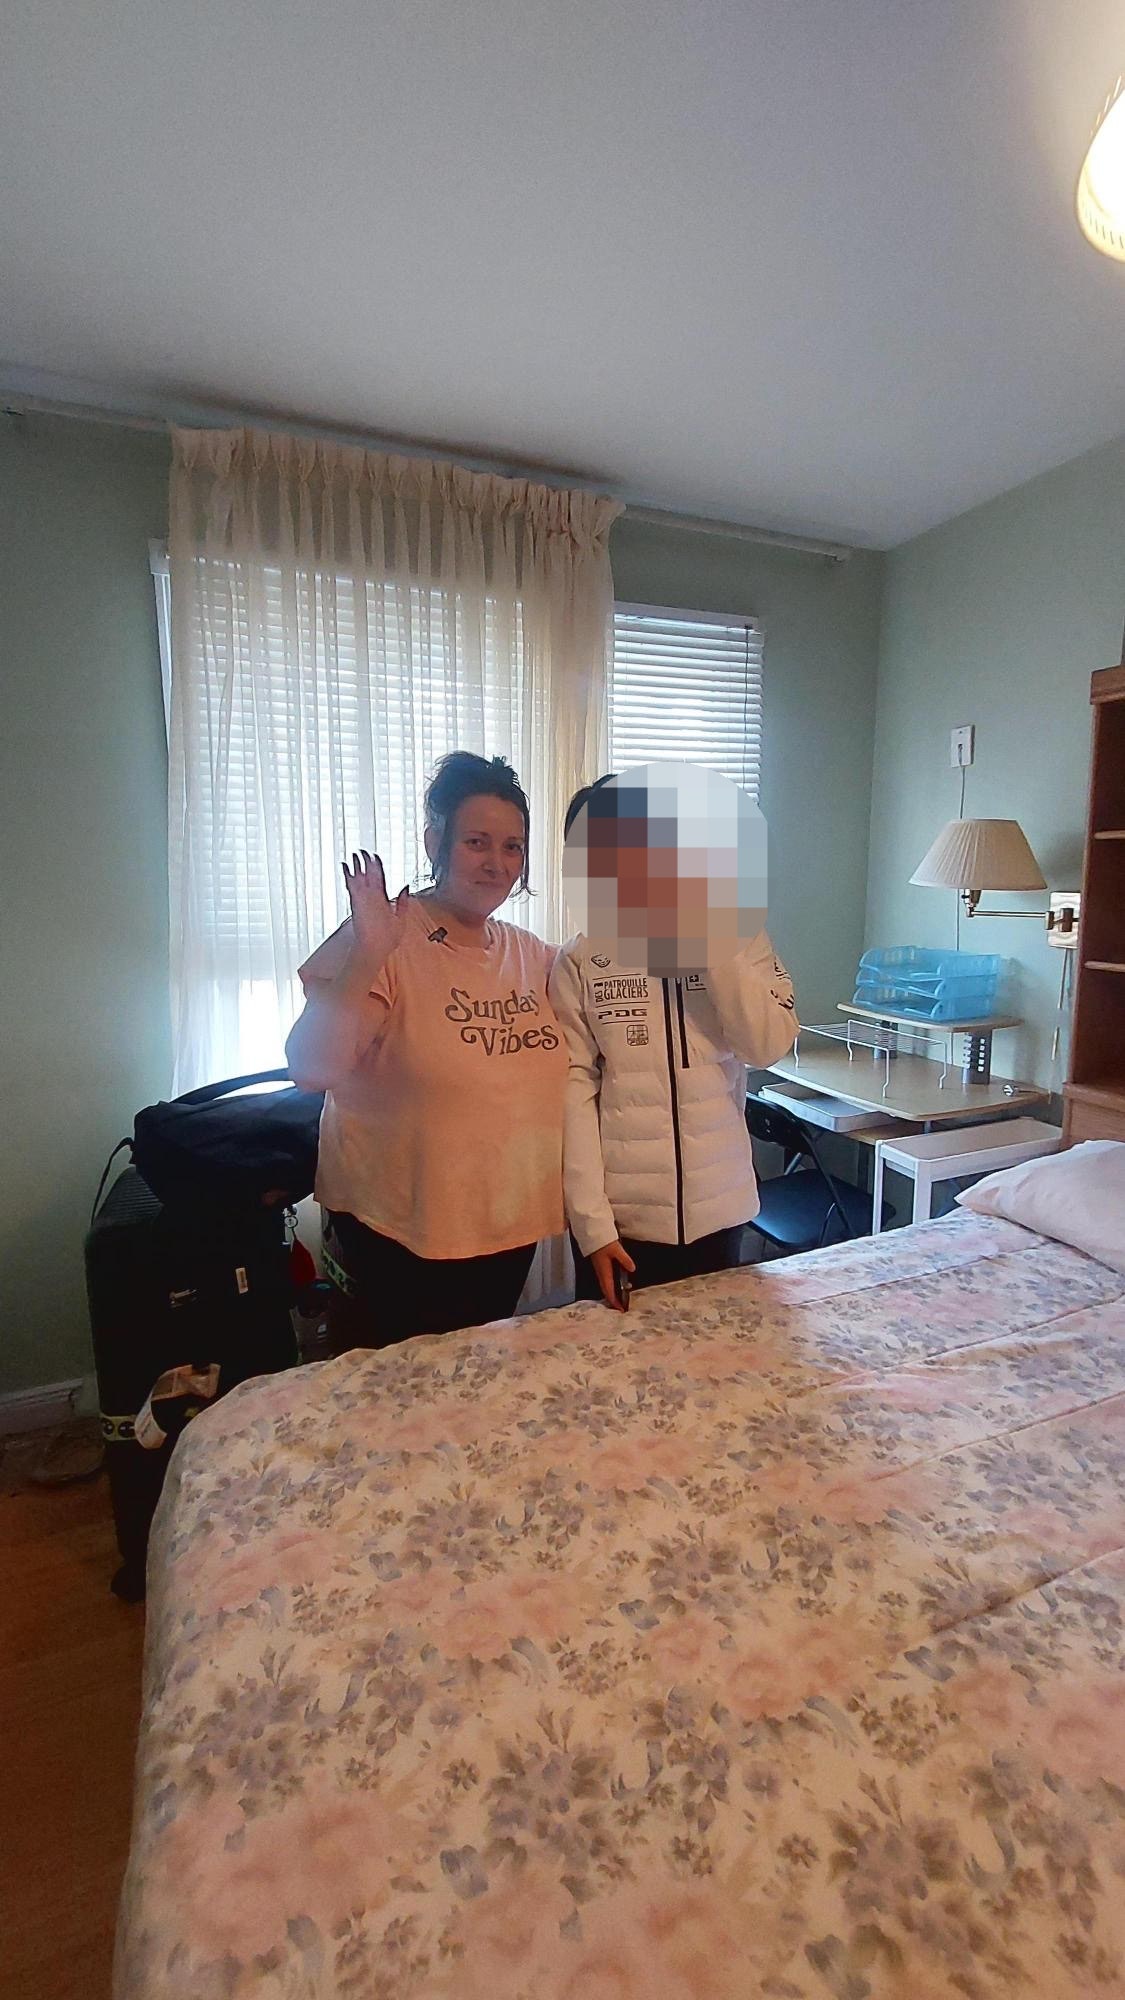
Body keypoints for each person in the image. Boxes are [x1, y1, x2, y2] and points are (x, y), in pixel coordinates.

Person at [286, 752, 567, 1350]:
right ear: (434, 840)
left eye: (512, 847)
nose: (497, 863)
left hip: (504, 1225)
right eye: (476, 842)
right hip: (398, 1234)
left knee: (476, 1381)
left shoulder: (530, 953)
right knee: (400, 1393)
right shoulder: (385, 937)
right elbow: (310, 1069)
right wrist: (368, 954)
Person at [549, 773, 800, 1310]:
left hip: (721, 1210)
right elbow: (574, 1094)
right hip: (622, 1227)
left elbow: (768, 1045)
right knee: (615, 1357)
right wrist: (593, 1228)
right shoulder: (579, 961)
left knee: (719, 1353)